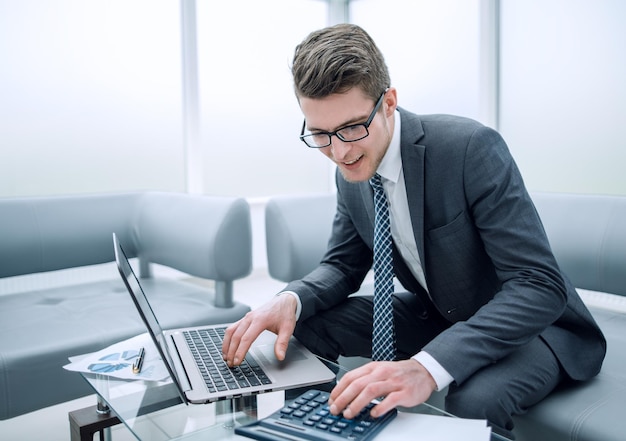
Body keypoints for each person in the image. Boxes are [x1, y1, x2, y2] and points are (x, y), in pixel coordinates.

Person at [222, 23, 606, 438]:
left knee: (473, 402)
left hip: (534, 327)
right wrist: (289, 300)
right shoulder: (349, 174)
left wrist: (427, 366)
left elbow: (538, 284)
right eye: (320, 134)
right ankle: (313, 432)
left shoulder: (469, 149)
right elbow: (341, 266)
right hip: (441, 314)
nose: (339, 152)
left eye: (352, 128)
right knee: (303, 327)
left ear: (389, 102)